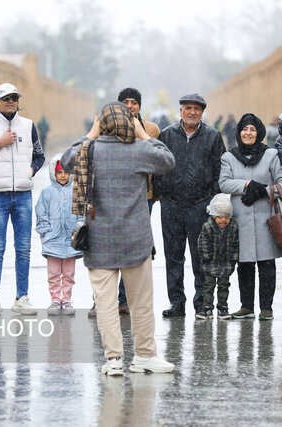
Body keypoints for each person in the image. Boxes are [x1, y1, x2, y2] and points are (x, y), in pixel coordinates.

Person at [73, 102, 176, 375]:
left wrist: (91, 133)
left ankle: (114, 360)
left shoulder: (90, 150)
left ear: (102, 123)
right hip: (135, 239)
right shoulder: (140, 150)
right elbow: (168, 161)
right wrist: (144, 134)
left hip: (99, 240)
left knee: (105, 303)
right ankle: (144, 356)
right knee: (140, 302)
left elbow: (68, 159)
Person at [0, 83, 45, 316]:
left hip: (23, 194)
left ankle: (22, 297)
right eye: (6, 98)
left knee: (23, 249)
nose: (11, 101)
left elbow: (39, 156)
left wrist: (30, 172)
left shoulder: (29, 126)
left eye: (14, 97)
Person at [153, 93, 226, 317]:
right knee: (173, 256)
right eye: (188, 108)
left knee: (201, 256)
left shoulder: (212, 136)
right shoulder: (167, 135)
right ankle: (176, 302)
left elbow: (219, 170)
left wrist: (210, 198)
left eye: (197, 108)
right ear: (181, 111)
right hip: (172, 205)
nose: (192, 112)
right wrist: (163, 194)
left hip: (200, 206)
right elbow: (158, 166)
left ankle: (202, 302)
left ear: (202, 112)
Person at [218, 113, 282, 320]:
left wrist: (263, 190)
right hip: (241, 219)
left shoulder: (271, 155)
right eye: (245, 129)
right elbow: (224, 183)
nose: (248, 133)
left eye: (252, 129)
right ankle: (246, 306)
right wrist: (248, 185)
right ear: (239, 132)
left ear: (259, 133)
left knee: (267, 265)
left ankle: (266, 308)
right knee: (245, 265)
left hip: (266, 218)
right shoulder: (229, 157)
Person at [105, 87, 162, 316]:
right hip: (113, 197)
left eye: (134, 102)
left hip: (142, 198)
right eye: (126, 102)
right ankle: (102, 298)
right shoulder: (106, 128)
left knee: (133, 250)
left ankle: (124, 298)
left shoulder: (152, 130)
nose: (130, 106)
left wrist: (154, 194)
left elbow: (160, 160)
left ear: (140, 105)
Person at [35, 154, 83, 315]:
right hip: (52, 240)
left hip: (71, 240)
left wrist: (79, 232)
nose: (63, 175)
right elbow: (41, 214)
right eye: (59, 172)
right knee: (54, 273)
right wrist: (46, 232)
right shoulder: (46, 193)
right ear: (53, 174)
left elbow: (81, 214)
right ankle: (55, 299)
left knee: (69, 273)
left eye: (66, 172)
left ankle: (67, 299)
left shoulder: (76, 193)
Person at [196, 194, 239, 320]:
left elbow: (235, 245)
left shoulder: (233, 228)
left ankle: (223, 307)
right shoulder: (207, 227)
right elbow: (202, 243)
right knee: (208, 285)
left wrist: (233, 259)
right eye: (219, 217)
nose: (223, 220)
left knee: (224, 285)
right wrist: (206, 257)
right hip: (210, 262)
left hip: (225, 263)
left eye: (227, 217)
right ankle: (207, 307)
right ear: (214, 216)